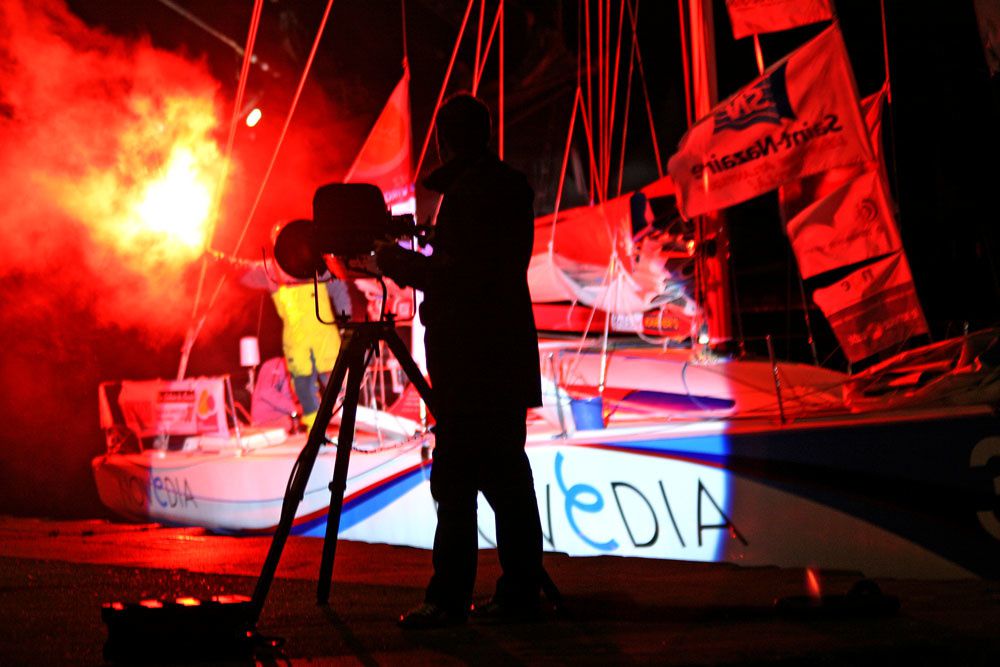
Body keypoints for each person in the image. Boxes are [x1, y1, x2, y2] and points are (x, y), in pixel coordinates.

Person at [376, 93, 544, 628]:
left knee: (455, 484)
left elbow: (458, 275)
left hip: (471, 363)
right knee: (508, 480)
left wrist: (398, 262)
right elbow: (481, 265)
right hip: (505, 357)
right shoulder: (508, 189)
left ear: (450, 140)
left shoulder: (470, 194)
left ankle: (447, 600)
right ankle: (520, 592)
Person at [211, 222, 351, 430]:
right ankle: (315, 434)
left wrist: (346, 321)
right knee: (304, 389)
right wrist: (216, 259)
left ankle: (349, 428)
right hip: (296, 341)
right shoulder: (270, 269)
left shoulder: (316, 263)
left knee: (337, 386)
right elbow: (241, 270)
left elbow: (339, 286)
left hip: (324, 337)